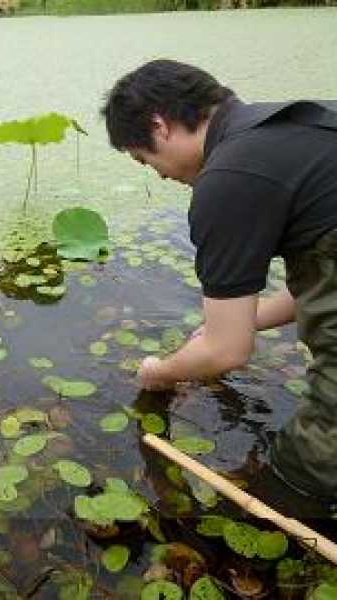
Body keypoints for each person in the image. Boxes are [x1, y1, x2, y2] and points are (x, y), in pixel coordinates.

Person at [100, 59, 337, 502]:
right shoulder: (300, 126)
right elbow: (321, 278)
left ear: (159, 125)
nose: (161, 175)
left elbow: (228, 352)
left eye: (145, 159)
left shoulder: (227, 180)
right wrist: (238, 322)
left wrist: (161, 371)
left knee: (303, 472)